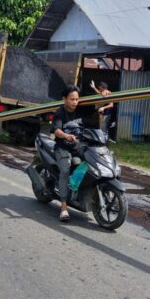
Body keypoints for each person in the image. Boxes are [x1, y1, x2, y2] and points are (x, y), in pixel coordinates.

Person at [51, 85, 110, 221]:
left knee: (91, 163)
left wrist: (104, 96)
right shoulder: (59, 112)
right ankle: (64, 208)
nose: (74, 102)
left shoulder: (81, 109)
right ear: (64, 99)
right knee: (65, 170)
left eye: (77, 99)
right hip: (63, 147)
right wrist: (66, 136)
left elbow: (98, 105)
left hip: (78, 146)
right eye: (72, 99)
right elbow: (56, 131)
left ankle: (78, 190)